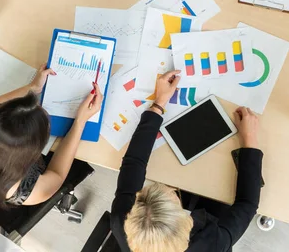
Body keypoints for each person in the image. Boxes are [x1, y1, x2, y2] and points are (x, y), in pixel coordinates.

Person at [109, 70, 263, 252]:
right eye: (172, 195)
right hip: (212, 215)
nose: (171, 189)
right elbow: (247, 204)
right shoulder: (211, 244)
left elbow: (133, 163)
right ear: (187, 224)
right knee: (218, 200)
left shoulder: (124, 220)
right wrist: (250, 140)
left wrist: (158, 104)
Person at [0, 64, 103, 209]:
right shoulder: (29, 191)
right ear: (33, 151)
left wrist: (33, 88)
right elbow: (57, 173)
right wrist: (80, 121)